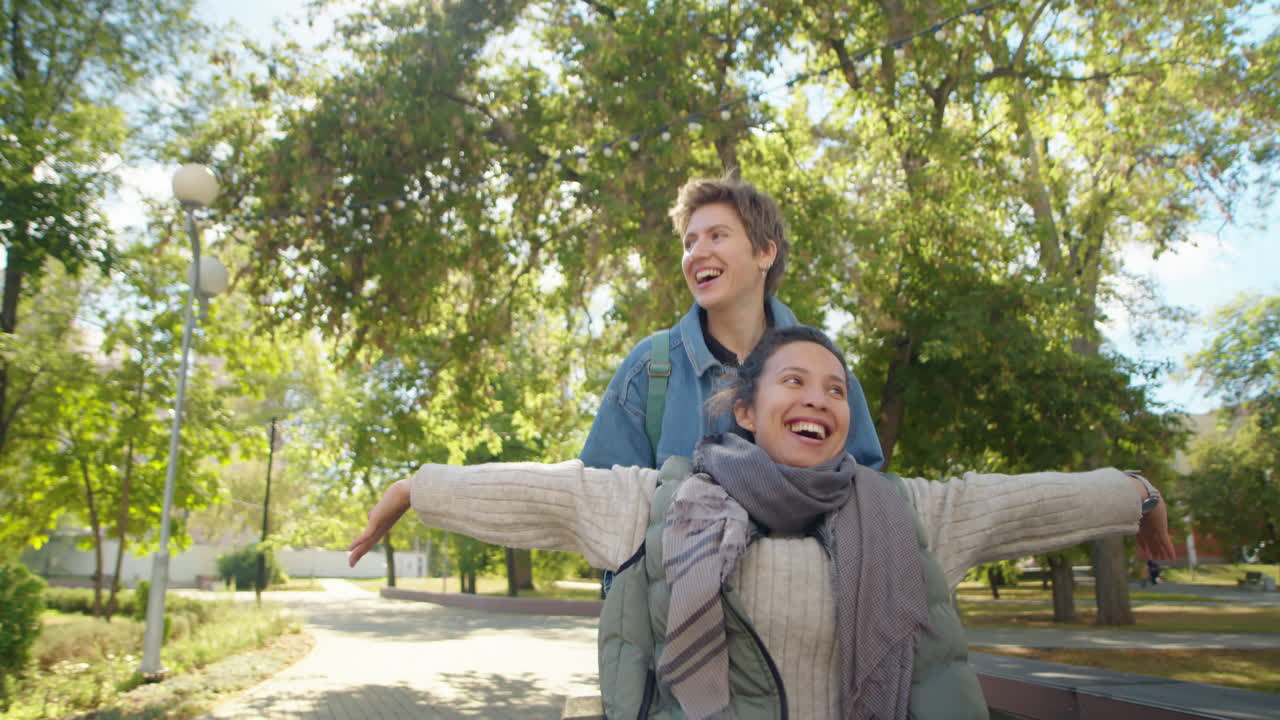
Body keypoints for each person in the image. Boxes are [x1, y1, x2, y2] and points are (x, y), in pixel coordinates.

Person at [349, 326, 1175, 720]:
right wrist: (419, 488)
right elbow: (549, 494)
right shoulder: (662, 501)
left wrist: (1132, 491)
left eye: (835, 388)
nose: (819, 398)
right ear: (745, 409)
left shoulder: (907, 511)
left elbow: (1029, 501)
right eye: (794, 382)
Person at [579, 174, 885, 473]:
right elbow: (602, 498)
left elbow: (864, 486)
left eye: (717, 236)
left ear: (765, 252)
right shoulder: (650, 367)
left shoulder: (824, 363)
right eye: (689, 243)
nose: (697, 253)